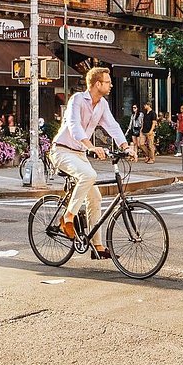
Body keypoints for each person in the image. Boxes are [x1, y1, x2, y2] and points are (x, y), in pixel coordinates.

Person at [49, 67, 135, 259]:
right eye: (107, 82)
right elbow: (74, 125)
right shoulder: (77, 99)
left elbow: (112, 125)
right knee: (89, 175)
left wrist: (125, 146)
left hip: (79, 154)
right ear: (97, 84)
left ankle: (98, 246)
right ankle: (68, 217)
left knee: (95, 198)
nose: (111, 85)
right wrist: (90, 146)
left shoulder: (102, 104)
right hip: (62, 150)